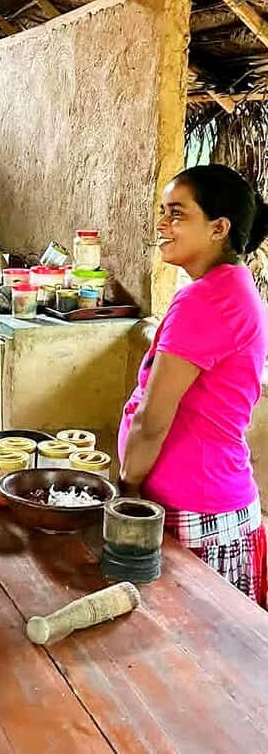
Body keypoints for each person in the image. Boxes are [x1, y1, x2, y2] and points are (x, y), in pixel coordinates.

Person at [120, 164, 268, 605]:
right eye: (163, 212)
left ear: (219, 228)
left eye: (177, 214)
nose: (162, 225)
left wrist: (127, 486)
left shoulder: (208, 298)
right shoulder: (232, 288)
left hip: (196, 514)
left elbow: (152, 419)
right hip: (210, 503)